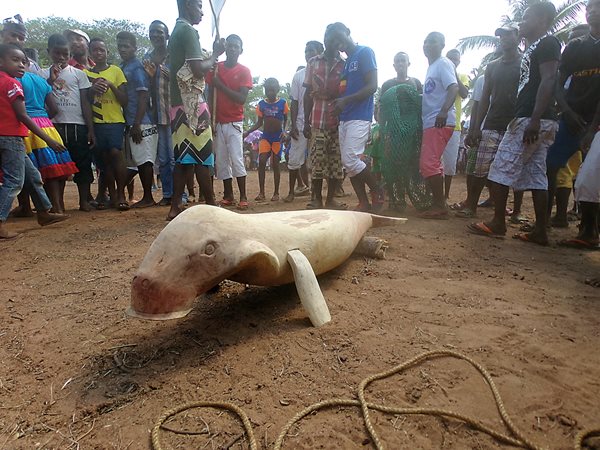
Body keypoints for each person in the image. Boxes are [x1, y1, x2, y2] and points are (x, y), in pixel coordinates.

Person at [469, 2, 560, 245]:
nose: (522, 22)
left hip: (531, 118)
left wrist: (534, 119)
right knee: (536, 174)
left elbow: (550, 79)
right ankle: (540, 230)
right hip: (535, 118)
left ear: (542, 20)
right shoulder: (534, 48)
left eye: (527, 17)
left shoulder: (548, 43)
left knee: (499, 167)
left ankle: (498, 222)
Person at [0, 43, 69, 240]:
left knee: (32, 175)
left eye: (24, 61)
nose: (22, 65)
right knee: (14, 181)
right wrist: (48, 139)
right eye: (15, 60)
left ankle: (44, 212)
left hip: (7, 137)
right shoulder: (13, 84)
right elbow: (23, 116)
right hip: (12, 138)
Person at [167, 0, 225, 221]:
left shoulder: (177, 30)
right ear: (188, 5)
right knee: (203, 155)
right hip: (192, 103)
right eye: (199, 5)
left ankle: (175, 207)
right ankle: (211, 205)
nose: (201, 12)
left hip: (178, 104)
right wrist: (215, 55)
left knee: (184, 157)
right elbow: (198, 69)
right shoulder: (189, 31)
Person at [458, 25, 522, 219]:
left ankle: (516, 212)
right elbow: (485, 97)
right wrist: (476, 127)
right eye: (501, 36)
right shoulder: (492, 66)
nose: (504, 39)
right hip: (492, 123)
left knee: (514, 170)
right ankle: (471, 206)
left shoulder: (525, 62)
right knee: (480, 167)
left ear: (518, 37)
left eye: (508, 35)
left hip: (516, 123)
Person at [547, 8, 600, 231]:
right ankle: (544, 221)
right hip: (570, 120)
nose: (593, 12)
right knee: (550, 165)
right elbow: (558, 83)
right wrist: (567, 112)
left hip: (595, 124)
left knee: (590, 177)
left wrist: (592, 128)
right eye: (589, 8)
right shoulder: (575, 46)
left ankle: (589, 230)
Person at [326, 22, 383, 212]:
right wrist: (339, 106)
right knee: (348, 163)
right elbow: (345, 91)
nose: (337, 43)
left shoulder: (365, 52)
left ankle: (377, 191)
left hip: (360, 116)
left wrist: (346, 100)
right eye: (332, 41)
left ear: (348, 32)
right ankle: (363, 202)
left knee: (350, 159)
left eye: (338, 36)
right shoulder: (346, 63)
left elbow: (373, 85)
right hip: (346, 117)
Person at [41, 33, 96, 212]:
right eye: (57, 53)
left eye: (66, 54)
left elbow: (85, 102)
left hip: (77, 125)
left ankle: (84, 201)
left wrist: (90, 129)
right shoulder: (42, 75)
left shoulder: (78, 74)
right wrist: (50, 80)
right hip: (54, 127)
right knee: (57, 167)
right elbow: (41, 98)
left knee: (83, 163)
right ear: (49, 52)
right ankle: (59, 204)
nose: (62, 58)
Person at [205, 34, 253, 210]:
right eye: (230, 46)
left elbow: (241, 98)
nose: (232, 49)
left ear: (241, 50)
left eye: (236, 46)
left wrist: (220, 85)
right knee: (222, 161)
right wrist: (210, 118)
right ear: (225, 48)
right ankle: (228, 195)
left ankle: (243, 195)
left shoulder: (244, 71)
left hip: (234, 122)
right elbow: (210, 94)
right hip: (218, 121)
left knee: (237, 158)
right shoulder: (216, 68)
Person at [303, 29, 346, 210]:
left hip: (338, 120)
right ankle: (316, 199)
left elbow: (346, 92)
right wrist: (305, 121)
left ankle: (331, 199)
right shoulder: (313, 63)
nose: (331, 41)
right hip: (318, 118)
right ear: (325, 40)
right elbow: (306, 94)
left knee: (336, 160)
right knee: (317, 159)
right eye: (328, 38)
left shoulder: (345, 64)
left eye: (334, 39)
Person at [85, 37, 130, 211]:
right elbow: (86, 101)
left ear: (107, 52)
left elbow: (125, 100)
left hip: (115, 121)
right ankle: (111, 195)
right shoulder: (87, 74)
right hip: (97, 122)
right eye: (95, 50)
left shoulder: (116, 71)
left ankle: (121, 194)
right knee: (104, 160)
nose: (98, 53)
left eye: (101, 50)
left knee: (115, 153)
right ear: (91, 53)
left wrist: (111, 85)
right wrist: (91, 89)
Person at [418, 31, 458, 218]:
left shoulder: (443, 63)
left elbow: (454, 87)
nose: (427, 45)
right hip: (432, 121)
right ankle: (438, 202)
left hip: (439, 120)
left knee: (428, 162)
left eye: (432, 41)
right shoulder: (432, 67)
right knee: (434, 163)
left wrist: (443, 111)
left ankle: (439, 205)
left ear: (442, 45)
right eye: (425, 41)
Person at [118, 30, 158, 208]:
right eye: (120, 46)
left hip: (142, 121)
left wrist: (137, 123)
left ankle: (148, 197)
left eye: (126, 46)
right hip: (131, 119)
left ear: (134, 47)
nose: (122, 49)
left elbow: (143, 96)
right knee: (138, 160)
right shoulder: (123, 66)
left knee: (144, 160)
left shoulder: (137, 68)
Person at [284, 41, 323, 203]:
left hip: (319, 122)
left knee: (317, 159)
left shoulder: (324, 73)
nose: (308, 54)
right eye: (306, 51)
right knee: (294, 159)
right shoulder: (298, 76)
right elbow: (294, 101)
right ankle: (292, 191)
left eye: (311, 51)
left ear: (320, 52)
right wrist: (293, 125)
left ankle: (316, 193)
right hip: (300, 123)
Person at [143, 20, 174, 207]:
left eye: (160, 32)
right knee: (162, 159)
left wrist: (159, 70)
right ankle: (168, 193)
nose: (156, 35)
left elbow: (179, 78)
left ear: (167, 35)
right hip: (157, 114)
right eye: (153, 32)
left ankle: (181, 194)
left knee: (173, 158)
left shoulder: (174, 55)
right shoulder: (147, 57)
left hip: (174, 112)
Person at [243, 77, 288, 202]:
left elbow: (285, 120)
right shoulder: (261, 105)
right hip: (266, 137)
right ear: (265, 91)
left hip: (277, 137)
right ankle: (262, 192)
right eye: (268, 91)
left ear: (277, 90)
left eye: (273, 91)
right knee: (262, 161)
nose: (270, 93)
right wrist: (248, 132)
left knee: (275, 163)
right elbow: (259, 123)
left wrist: (284, 132)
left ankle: (276, 193)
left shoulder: (282, 103)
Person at [441, 49, 469, 200]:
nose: (453, 61)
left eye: (456, 60)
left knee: (450, 163)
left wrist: (454, 75)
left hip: (454, 126)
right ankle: (435, 194)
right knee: (435, 162)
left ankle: (445, 196)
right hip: (437, 124)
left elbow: (464, 93)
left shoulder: (462, 76)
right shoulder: (440, 74)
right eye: (450, 59)